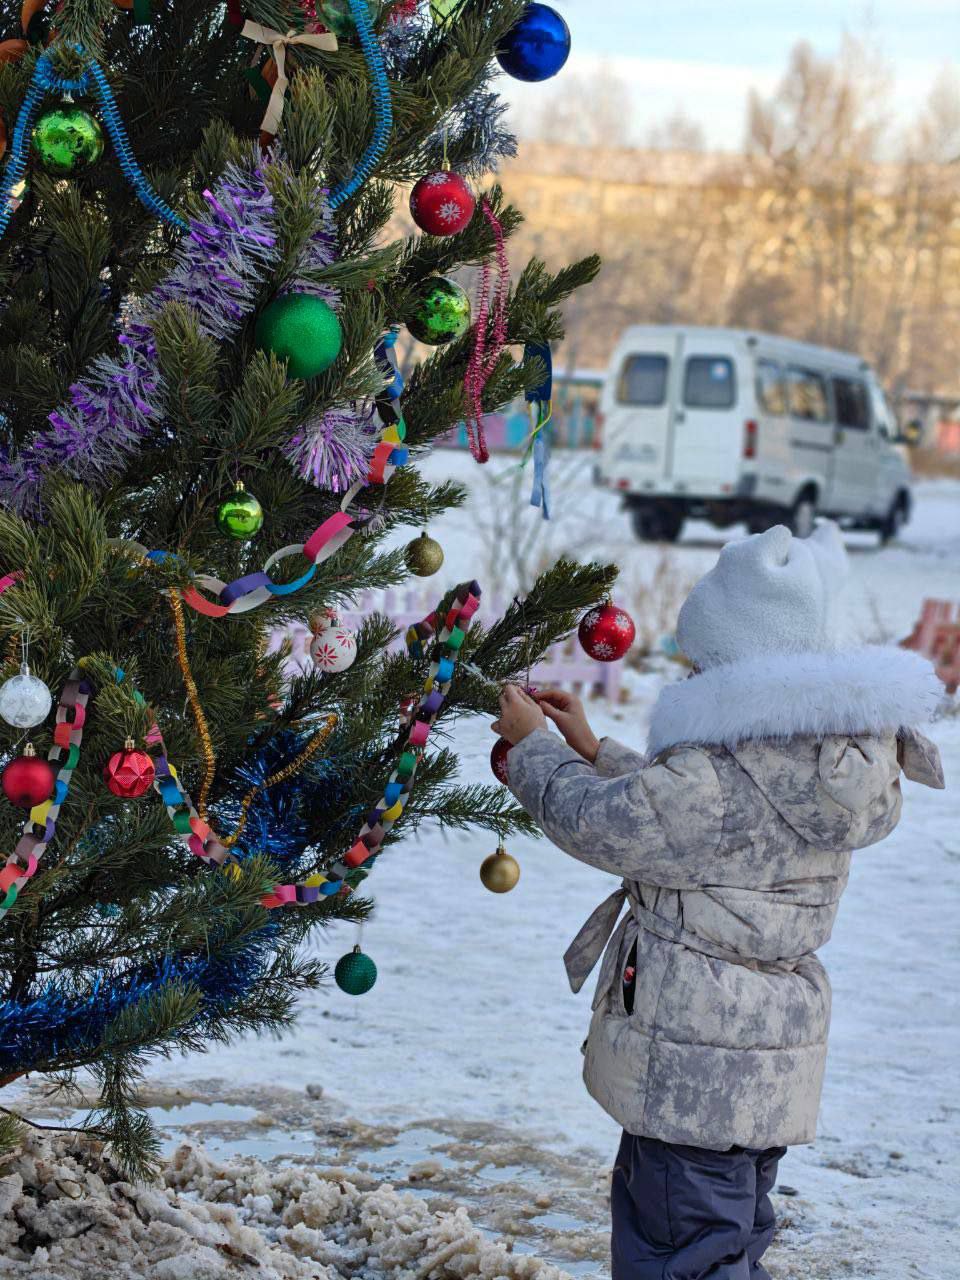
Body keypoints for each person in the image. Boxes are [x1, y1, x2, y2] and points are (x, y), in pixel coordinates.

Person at [492, 522, 945, 1280]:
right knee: (721, 1245)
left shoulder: (714, 779)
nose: (688, 665)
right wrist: (596, 750)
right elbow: (687, 826)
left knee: (680, 1257)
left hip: (688, 1072)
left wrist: (532, 748)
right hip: (762, 1070)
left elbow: (606, 824)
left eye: (702, 655)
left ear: (739, 664)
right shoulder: (816, 762)